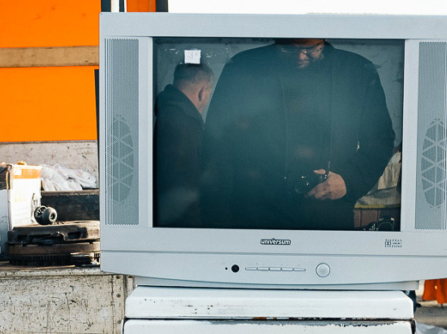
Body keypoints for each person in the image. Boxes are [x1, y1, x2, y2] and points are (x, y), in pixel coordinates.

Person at [200, 38, 395, 230]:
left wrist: (349, 180)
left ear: (324, 39)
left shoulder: (357, 70)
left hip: (327, 211)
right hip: (252, 211)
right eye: (288, 50)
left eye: (312, 50)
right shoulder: (242, 67)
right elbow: (216, 140)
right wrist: (217, 216)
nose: (300, 57)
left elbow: (380, 139)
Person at [153, 63, 215, 227]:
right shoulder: (184, 122)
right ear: (202, 93)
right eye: (209, 92)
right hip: (183, 224)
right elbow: (185, 184)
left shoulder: (167, 111)